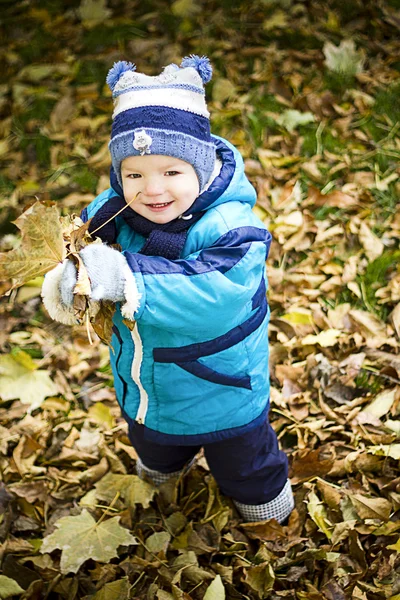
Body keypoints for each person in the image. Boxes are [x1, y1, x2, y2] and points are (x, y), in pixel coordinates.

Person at [42, 55, 294, 523]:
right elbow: (82, 259)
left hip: (222, 387)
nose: (152, 189)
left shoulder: (233, 229)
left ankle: (269, 516)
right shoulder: (113, 216)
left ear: (201, 166)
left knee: (247, 467)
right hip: (144, 384)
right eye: (134, 174)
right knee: (155, 447)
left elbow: (214, 296)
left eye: (172, 172)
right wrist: (70, 280)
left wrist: (124, 277)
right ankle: (157, 487)